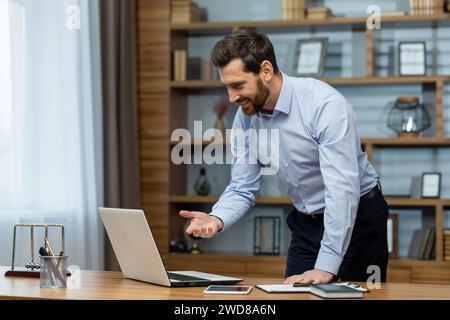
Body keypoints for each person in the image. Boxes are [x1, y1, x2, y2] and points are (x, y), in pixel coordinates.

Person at [179, 29, 389, 285]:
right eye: (227, 87)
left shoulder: (324, 106)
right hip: (306, 222)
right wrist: (216, 218)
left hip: (359, 217)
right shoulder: (246, 118)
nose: (232, 98)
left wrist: (326, 266)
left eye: (237, 85)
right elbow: (242, 187)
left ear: (266, 70)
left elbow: (342, 191)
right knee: (292, 294)